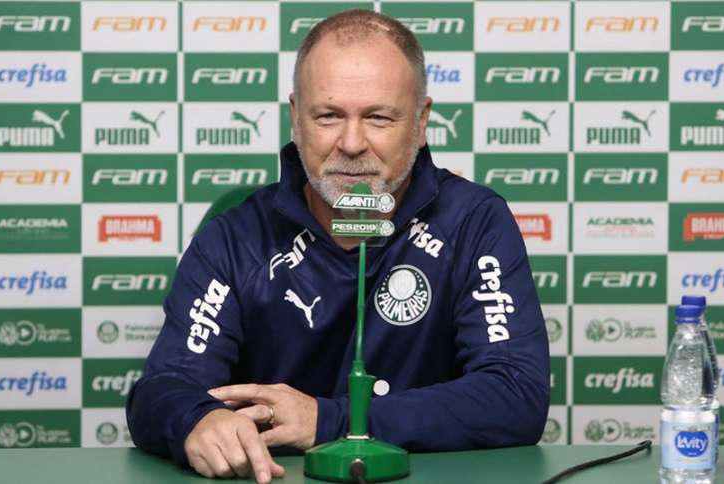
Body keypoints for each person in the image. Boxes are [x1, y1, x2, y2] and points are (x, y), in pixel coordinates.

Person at [126, 9, 549, 484]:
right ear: (295, 118)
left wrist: (327, 421)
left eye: (379, 117)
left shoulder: (475, 222)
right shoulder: (234, 237)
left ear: (421, 120)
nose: (351, 143)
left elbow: (517, 394)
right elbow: (163, 388)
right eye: (328, 115)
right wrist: (196, 421)